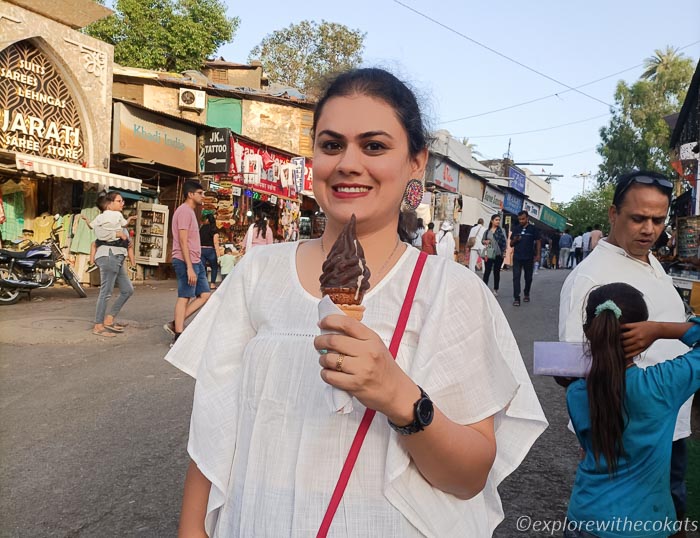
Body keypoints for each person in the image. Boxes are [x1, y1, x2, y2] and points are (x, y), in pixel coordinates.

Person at [166, 67, 547, 537]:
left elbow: (468, 478)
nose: (348, 163)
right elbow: (211, 433)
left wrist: (396, 394)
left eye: (374, 146)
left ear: (416, 162)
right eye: (331, 145)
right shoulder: (258, 274)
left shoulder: (453, 292)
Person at [559, 170, 692, 528]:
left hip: (668, 427)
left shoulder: (649, 262)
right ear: (613, 214)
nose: (649, 229)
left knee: (666, 512)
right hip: (627, 436)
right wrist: (590, 434)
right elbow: (574, 365)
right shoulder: (590, 277)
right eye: (638, 218)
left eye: (658, 220)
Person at [564, 282, 700, 538]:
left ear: (588, 332)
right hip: (646, 524)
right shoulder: (662, 385)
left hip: (584, 520)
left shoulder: (576, 393)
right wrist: (661, 330)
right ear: (642, 338)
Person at [163, 180, 211, 347]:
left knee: (205, 295)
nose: (202, 196)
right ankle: (178, 334)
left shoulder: (190, 212)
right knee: (184, 296)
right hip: (185, 261)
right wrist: (189, 267)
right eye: (200, 193)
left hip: (196, 260)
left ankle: (175, 323)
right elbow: (183, 241)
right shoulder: (184, 211)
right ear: (191, 194)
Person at [91, 192, 134, 337]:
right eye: (119, 201)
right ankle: (98, 325)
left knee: (127, 290)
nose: (123, 203)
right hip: (109, 256)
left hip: (118, 257)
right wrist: (118, 235)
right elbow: (100, 235)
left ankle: (109, 319)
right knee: (106, 293)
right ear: (110, 204)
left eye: (122, 201)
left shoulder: (117, 220)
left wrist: (127, 240)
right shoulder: (102, 219)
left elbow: (124, 237)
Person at [510, 210, 541, 307]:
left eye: (523, 219)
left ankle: (526, 293)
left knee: (528, 277)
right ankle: (516, 298)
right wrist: (515, 239)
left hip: (528, 257)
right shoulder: (516, 229)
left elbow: (538, 241)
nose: (521, 221)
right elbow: (511, 244)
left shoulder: (533, 229)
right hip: (517, 257)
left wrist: (538, 254)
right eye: (519, 219)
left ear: (527, 218)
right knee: (516, 277)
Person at [482, 214, 506, 296]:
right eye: (496, 220)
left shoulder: (502, 231)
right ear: (492, 221)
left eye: (499, 220)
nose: (498, 221)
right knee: (487, 271)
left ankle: (496, 289)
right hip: (489, 253)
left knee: (496, 272)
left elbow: (504, 242)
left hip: (499, 254)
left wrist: (504, 252)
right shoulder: (487, 231)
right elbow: (483, 241)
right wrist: (485, 242)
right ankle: (484, 288)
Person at [199, 214, 220, 289]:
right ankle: (212, 284)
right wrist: (218, 255)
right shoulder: (214, 229)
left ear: (207, 220)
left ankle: (203, 284)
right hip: (210, 250)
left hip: (201, 250)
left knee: (202, 267)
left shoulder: (202, 228)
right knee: (214, 267)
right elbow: (216, 242)